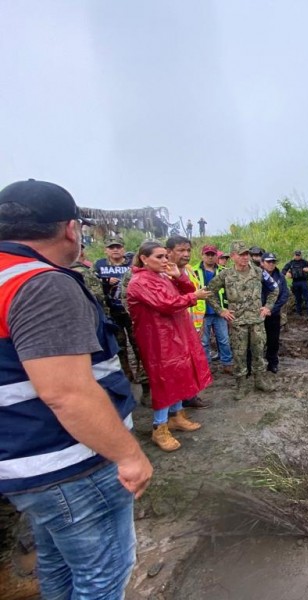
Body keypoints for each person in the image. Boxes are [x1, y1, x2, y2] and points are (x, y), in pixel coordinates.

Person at [0, 179, 152, 598]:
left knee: (58, 563)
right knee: (103, 574)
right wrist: (129, 454)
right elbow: (65, 392)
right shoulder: (43, 283)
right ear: (71, 229)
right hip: (70, 463)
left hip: (25, 460)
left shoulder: (7, 276)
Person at [127, 241, 212, 451]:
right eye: (159, 257)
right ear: (144, 258)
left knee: (180, 374)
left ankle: (176, 415)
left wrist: (179, 275)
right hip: (157, 339)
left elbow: (187, 291)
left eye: (166, 256)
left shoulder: (164, 276)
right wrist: (194, 296)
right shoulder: (139, 282)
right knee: (164, 380)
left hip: (176, 334)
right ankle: (159, 427)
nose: (165, 260)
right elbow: (166, 304)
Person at [206, 241, 278, 400]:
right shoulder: (225, 275)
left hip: (257, 321)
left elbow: (275, 289)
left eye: (247, 254)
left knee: (259, 352)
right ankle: (241, 385)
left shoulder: (259, 272)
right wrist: (221, 310)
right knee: (239, 354)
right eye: (242, 254)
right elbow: (209, 292)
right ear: (232, 256)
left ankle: (260, 380)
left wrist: (268, 307)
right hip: (237, 323)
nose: (246, 257)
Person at [166, 236, 211, 409]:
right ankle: (174, 408)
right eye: (181, 250)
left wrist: (199, 323)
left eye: (188, 250)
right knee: (176, 366)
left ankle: (190, 396)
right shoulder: (164, 274)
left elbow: (199, 298)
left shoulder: (190, 271)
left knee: (192, 362)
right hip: (173, 329)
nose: (186, 254)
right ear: (169, 252)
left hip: (192, 325)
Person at [94, 236, 139, 381]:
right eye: (111, 247)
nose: (115, 250)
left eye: (118, 247)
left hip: (131, 312)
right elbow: (91, 283)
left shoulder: (132, 264)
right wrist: (106, 281)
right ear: (106, 250)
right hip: (111, 312)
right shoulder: (99, 265)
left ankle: (142, 374)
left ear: (123, 249)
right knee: (120, 346)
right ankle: (127, 375)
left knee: (138, 344)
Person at [195, 244, 234, 374]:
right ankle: (206, 366)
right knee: (204, 341)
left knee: (224, 339)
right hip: (202, 312)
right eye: (208, 254)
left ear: (216, 256)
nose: (210, 257)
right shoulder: (195, 272)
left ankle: (227, 363)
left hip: (220, 311)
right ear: (203, 255)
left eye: (213, 254)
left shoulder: (224, 271)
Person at [261, 252, 288, 373]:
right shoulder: (257, 275)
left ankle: (272, 363)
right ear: (262, 263)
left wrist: (272, 309)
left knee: (273, 340)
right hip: (258, 313)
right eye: (268, 262)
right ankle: (254, 364)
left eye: (273, 262)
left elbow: (284, 295)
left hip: (273, 314)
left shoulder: (280, 276)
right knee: (257, 341)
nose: (271, 264)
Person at [282, 250, 308, 316]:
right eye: (296, 255)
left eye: (298, 255)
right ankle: (298, 313)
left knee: (307, 297)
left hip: (304, 282)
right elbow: (283, 270)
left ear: (300, 255)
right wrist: (287, 273)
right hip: (295, 282)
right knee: (297, 298)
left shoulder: (304, 262)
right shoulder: (290, 263)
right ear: (294, 255)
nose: (297, 256)